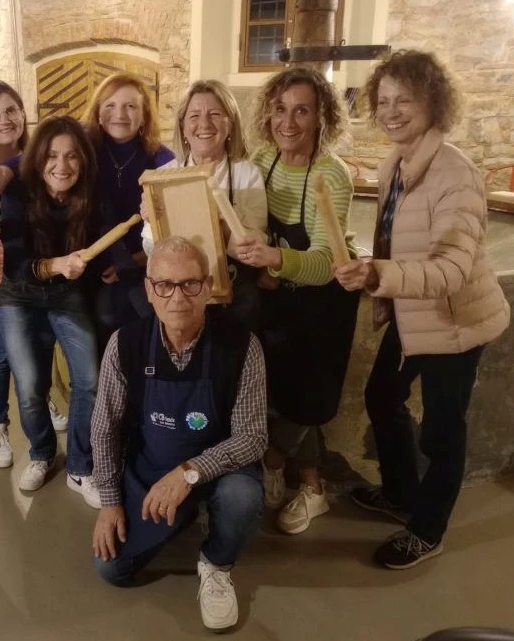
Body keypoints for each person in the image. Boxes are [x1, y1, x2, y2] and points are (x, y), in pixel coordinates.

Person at [335, 50, 510, 569]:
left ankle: (428, 529)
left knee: (441, 430)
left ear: (434, 103)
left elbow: (451, 270)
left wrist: (378, 275)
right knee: (382, 395)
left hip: (456, 322)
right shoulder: (397, 162)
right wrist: (374, 269)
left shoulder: (456, 174)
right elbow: (398, 239)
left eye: (404, 100)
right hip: (414, 314)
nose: (390, 111)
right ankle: (400, 493)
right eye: (383, 100)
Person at [91, 236, 267, 631]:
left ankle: (216, 562)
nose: (177, 297)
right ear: (148, 290)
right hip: (152, 468)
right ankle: (184, 515)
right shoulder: (125, 344)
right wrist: (109, 503)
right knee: (110, 569)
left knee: (242, 498)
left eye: (190, 284)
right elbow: (104, 428)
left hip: (219, 470)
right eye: (164, 285)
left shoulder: (242, 346)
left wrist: (189, 472)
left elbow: (253, 438)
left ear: (208, 287)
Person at [235, 67, 360, 534]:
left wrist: (273, 261)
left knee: (307, 401)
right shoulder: (262, 159)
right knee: (282, 397)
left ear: (322, 117)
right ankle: (312, 488)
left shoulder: (332, 174)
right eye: (280, 109)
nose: (288, 122)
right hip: (279, 303)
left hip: (321, 307)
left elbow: (326, 262)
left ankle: (273, 461)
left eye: (302, 111)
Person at [0, 115, 109, 507]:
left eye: (72, 156)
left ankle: (80, 465)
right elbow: (12, 260)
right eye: (52, 156)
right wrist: (56, 264)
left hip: (67, 294)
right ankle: (42, 453)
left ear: (83, 160)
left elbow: (104, 245)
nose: (62, 165)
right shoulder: (17, 192)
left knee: (89, 379)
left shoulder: (90, 195)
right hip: (18, 294)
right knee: (30, 385)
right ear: (38, 158)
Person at [0, 80, 68, 469]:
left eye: (11, 110)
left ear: (24, 115)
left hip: (30, 273)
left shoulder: (37, 163)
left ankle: (39, 401)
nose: (3, 120)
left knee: (36, 347)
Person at [140, 79, 267, 331]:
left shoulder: (247, 174)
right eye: (194, 116)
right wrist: (154, 219)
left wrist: (211, 219)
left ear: (230, 124)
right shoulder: (164, 176)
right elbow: (150, 247)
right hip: (178, 297)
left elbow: (255, 248)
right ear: (183, 128)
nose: (204, 124)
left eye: (215, 114)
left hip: (235, 294)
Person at [82, 72, 175, 345]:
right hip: (93, 262)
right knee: (103, 318)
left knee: (139, 325)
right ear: (98, 113)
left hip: (145, 262)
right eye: (110, 105)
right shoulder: (85, 150)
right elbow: (37, 154)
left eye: (130, 106)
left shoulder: (162, 159)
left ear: (144, 115)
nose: (119, 114)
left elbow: (171, 224)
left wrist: (136, 260)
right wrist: (5, 170)